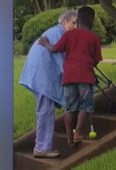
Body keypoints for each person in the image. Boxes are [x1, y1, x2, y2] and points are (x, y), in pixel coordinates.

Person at [39, 6, 102, 146]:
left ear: (78, 21)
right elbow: (97, 59)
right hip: (85, 76)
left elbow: (55, 49)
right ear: (91, 21)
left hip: (68, 77)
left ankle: (69, 137)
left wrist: (45, 43)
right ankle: (78, 132)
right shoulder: (93, 37)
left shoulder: (68, 35)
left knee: (70, 108)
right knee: (85, 106)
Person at [19, 10, 77, 158]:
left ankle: (42, 146)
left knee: (45, 110)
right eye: (73, 23)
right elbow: (63, 62)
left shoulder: (56, 32)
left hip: (39, 73)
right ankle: (41, 148)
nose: (76, 26)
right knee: (45, 111)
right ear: (64, 22)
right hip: (41, 75)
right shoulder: (59, 33)